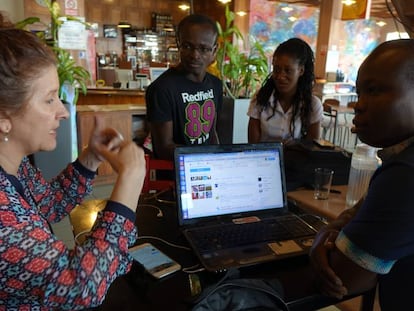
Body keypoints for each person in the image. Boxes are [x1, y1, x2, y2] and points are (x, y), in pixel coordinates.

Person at [0, 20, 146, 309]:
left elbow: (51, 205)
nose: (62, 113)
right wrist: (130, 181)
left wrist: (91, 158)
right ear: (4, 117)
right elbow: (81, 286)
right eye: (49, 100)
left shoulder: (16, 167)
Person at [309, 39, 414, 310]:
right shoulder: (399, 161)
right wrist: (331, 231)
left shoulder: (405, 175)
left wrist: (320, 238)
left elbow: (343, 279)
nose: (359, 105)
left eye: (374, 90)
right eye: (359, 93)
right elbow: (357, 213)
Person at [145, 14, 222, 160]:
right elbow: (164, 148)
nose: (195, 55)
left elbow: (211, 133)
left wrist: (217, 159)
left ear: (214, 50)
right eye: (187, 46)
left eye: (204, 49)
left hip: (208, 170)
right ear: (178, 43)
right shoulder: (161, 89)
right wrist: (204, 156)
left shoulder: (216, 85)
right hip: (173, 176)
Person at [247, 38, 322, 144]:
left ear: (301, 70)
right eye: (277, 70)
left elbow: (312, 148)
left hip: (297, 160)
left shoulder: (312, 105)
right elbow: (253, 146)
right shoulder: (261, 98)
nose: (281, 76)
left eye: (288, 70)